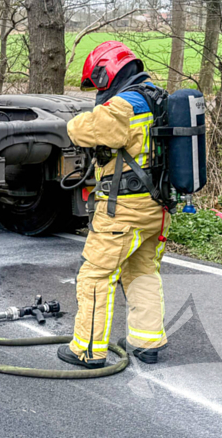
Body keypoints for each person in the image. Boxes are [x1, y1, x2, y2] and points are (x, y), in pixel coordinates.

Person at [58, 41, 169, 369]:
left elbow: (84, 129)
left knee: (95, 274)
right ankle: (147, 342)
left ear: (108, 73)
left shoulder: (123, 106)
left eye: (97, 83)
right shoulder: (155, 97)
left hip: (124, 210)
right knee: (143, 269)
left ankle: (87, 349)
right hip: (157, 208)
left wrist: (72, 123)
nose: (97, 90)